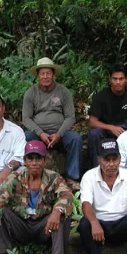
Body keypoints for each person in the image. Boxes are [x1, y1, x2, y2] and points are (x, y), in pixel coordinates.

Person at [0, 140, 74, 254]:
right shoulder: (15, 177)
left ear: (44, 161)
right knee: (1, 212)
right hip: (21, 224)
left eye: (38, 159)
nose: (34, 163)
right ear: (25, 161)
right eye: (30, 159)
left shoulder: (54, 177)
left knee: (62, 215)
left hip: (43, 226)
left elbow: (67, 195)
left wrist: (56, 212)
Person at [22, 57, 82, 186]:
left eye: (48, 73)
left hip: (60, 134)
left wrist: (59, 134)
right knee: (25, 137)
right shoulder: (30, 93)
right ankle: (28, 175)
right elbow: (26, 118)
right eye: (42, 73)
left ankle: (72, 178)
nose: (45, 77)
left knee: (75, 139)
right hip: (39, 135)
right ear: (37, 75)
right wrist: (41, 133)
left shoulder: (63, 92)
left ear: (53, 74)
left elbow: (70, 117)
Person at [87, 64, 127, 168]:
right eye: (115, 79)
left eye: (121, 79)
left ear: (126, 79)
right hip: (106, 130)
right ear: (110, 79)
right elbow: (92, 122)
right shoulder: (101, 96)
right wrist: (111, 128)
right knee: (94, 134)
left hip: (126, 129)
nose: (118, 82)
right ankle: (97, 169)